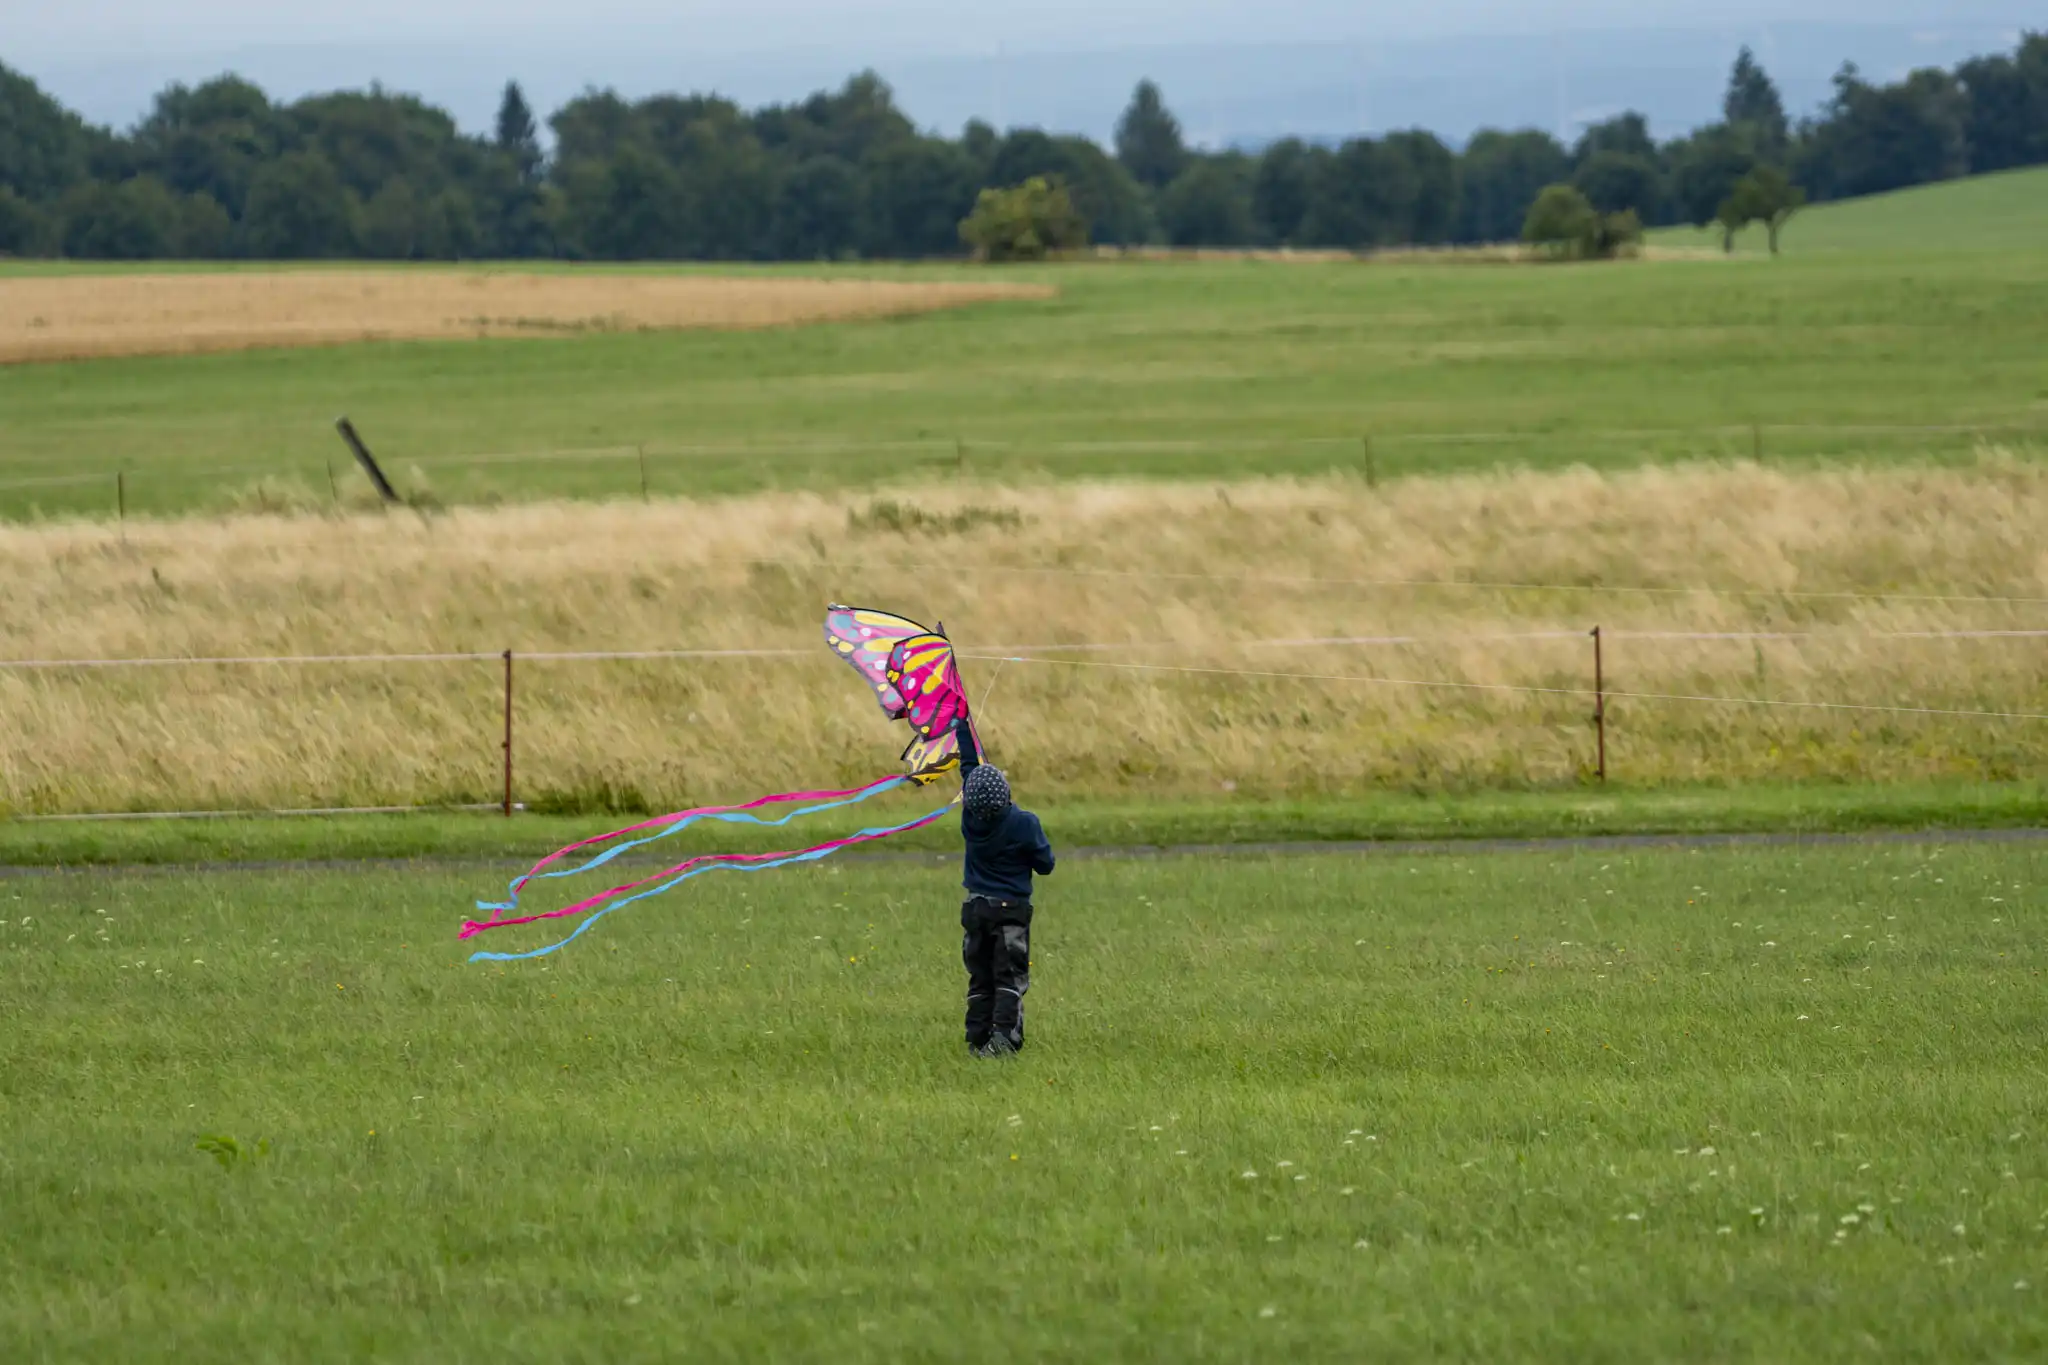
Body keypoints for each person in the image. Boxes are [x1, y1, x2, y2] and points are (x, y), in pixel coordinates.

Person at [952, 713, 1054, 1056]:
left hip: (975, 909)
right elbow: (1046, 865)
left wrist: (961, 723)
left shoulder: (970, 819)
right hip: (1010, 913)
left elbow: (968, 767)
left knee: (981, 977)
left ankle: (977, 1037)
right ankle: (1004, 1040)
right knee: (1009, 978)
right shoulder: (1025, 823)